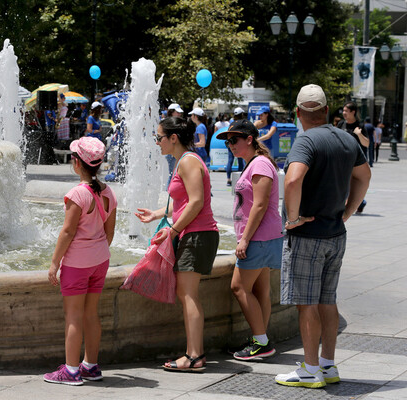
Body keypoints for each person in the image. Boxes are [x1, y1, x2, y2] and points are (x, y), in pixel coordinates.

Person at [275, 84, 370, 389]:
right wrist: (347, 211)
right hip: (335, 233)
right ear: (327, 110)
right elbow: (364, 176)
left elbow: (292, 180)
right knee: (327, 301)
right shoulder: (346, 139)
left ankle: (310, 369)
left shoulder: (306, 142)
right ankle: (328, 366)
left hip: (308, 235)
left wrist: (292, 219)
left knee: (307, 304)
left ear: (299, 113)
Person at [135, 117, 219, 372]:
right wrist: (158, 214)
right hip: (194, 233)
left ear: (173, 138)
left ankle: (194, 356)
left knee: (188, 295)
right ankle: (194, 354)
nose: (157, 142)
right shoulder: (183, 161)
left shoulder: (189, 161)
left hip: (198, 234)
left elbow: (196, 202)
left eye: (159, 137)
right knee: (186, 294)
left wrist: (172, 231)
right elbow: (182, 202)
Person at [44, 136, 117, 386]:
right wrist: (96, 251)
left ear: (76, 163)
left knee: (73, 316)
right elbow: (109, 233)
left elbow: (67, 232)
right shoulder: (109, 193)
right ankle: (91, 365)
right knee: (90, 313)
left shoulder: (77, 195)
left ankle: (72, 370)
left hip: (77, 264)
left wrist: (55, 263)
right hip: (100, 261)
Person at [216, 119, 282, 361]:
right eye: (227, 141)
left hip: (259, 237)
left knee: (239, 287)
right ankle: (260, 338)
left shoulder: (261, 165)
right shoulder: (254, 163)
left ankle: (262, 343)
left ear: (250, 139)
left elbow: (261, 205)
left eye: (234, 140)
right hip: (263, 237)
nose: (230, 144)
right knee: (260, 289)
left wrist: (244, 239)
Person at [337, 101, 369, 213]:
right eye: (344, 110)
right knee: (344, 184)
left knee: (350, 184)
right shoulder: (341, 124)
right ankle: (360, 202)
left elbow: (367, 144)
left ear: (353, 112)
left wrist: (359, 134)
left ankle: (351, 204)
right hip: (342, 160)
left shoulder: (360, 126)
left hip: (355, 161)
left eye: (346, 111)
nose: (344, 113)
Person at [226, 107, 246, 186]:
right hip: (239, 143)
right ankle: (240, 179)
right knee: (240, 161)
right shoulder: (243, 123)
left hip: (230, 142)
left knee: (230, 161)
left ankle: (228, 179)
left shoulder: (231, 122)